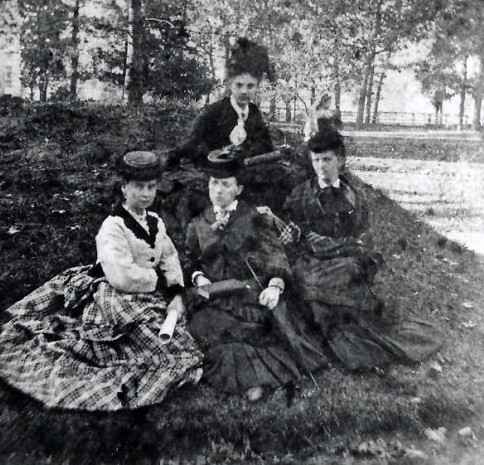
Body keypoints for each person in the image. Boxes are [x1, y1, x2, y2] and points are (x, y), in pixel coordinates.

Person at [0, 151, 203, 411]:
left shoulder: (155, 222)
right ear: (123, 188)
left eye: (151, 187)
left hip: (144, 290)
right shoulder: (114, 226)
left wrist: (175, 288)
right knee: (142, 335)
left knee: (173, 332)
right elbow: (121, 275)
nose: (146, 194)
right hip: (114, 290)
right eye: (139, 187)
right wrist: (157, 281)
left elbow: (169, 256)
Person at [276, 127, 443, 370]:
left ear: (341, 160)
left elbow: (364, 243)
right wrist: (294, 236)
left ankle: (349, 335)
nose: (321, 166)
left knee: (347, 274)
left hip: (344, 263)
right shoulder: (300, 195)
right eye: (316, 160)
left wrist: (333, 246)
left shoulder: (354, 197)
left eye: (327, 159)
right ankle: (335, 334)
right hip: (309, 263)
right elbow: (289, 241)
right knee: (307, 281)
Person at [184, 151, 324, 401]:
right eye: (213, 183)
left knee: (257, 329)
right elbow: (188, 258)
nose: (218, 190)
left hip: (250, 293)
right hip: (214, 295)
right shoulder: (198, 223)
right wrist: (196, 276)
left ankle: (258, 379)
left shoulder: (255, 217)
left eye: (226, 184)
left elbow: (275, 254)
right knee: (205, 329)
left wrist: (274, 286)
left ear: (238, 189)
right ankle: (253, 379)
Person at [159, 38, 275, 230]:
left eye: (250, 86)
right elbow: (194, 143)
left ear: (257, 85)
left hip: (243, 173)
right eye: (239, 85)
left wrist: (247, 152)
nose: (244, 91)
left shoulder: (254, 113)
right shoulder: (214, 111)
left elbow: (265, 146)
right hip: (215, 171)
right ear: (230, 84)